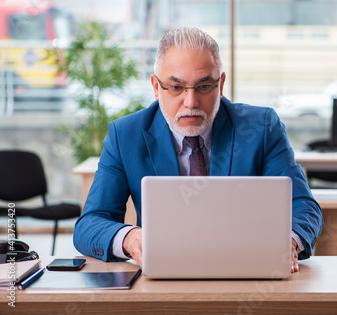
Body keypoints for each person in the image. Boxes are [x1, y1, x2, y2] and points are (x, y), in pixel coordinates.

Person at [73, 27, 323, 273]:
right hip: (162, 278)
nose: (191, 103)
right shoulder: (125, 135)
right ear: (156, 87)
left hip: (245, 272)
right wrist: (130, 238)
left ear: (221, 84)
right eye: (176, 87)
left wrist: (287, 240)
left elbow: (303, 205)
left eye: (204, 87)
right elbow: (90, 225)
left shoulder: (261, 127)